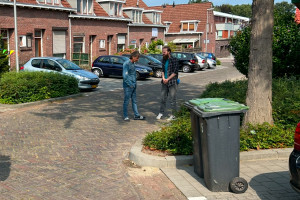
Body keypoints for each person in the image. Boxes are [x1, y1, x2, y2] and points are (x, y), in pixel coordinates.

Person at [156, 46, 179, 121]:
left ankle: (173, 115)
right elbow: (162, 70)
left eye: (164, 52)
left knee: (172, 99)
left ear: (169, 52)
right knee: (162, 98)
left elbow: (175, 72)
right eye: (162, 52)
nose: (163, 53)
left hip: (172, 82)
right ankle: (161, 113)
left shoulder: (174, 60)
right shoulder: (163, 60)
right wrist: (163, 78)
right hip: (164, 82)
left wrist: (168, 79)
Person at [122, 51, 145, 121]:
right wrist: (130, 84)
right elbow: (125, 76)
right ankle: (125, 116)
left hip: (133, 85)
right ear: (133, 57)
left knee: (134, 101)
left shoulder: (133, 63)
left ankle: (136, 115)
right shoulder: (127, 64)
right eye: (137, 58)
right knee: (126, 101)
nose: (138, 60)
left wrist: (134, 84)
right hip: (128, 86)